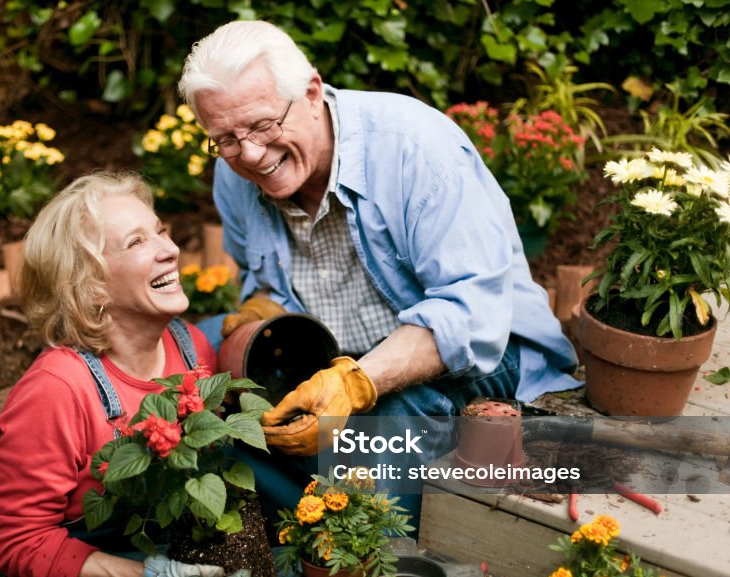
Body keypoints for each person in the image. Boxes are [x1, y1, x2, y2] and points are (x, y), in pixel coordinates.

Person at [178, 21, 581, 513]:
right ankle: (294, 513)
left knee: (386, 423)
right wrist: (260, 313)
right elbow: (261, 284)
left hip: (480, 355)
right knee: (208, 357)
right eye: (226, 138)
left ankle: (359, 544)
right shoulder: (234, 172)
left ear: (311, 92)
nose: (252, 155)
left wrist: (357, 382)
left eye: (263, 126)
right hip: (334, 351)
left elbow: (472, 317)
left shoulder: (416, 150)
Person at [0, 171, 305, 577]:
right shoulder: (58, 389)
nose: (170, 249)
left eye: (161, 231)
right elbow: (22, 546)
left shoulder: (191, 346)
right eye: (137, 241)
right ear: (91, 284)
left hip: (148, 558)